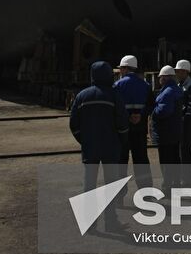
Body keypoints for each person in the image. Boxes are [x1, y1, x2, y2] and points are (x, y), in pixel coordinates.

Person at [69, 61, 129, 232]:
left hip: (90, 148)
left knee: (89, 185)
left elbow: (74, 124)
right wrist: (121, 141)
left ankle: (89, 223)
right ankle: (110, 222)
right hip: (111, 148)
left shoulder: (82, 96)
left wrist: (84, 140)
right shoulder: (114, 95)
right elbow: (122, 123)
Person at [113, 55, 153, 189]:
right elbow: (151, 105)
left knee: (121, 162)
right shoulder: (146, 86)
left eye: (121, 69)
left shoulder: (117, 85)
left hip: (122, 130)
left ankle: (119, 193)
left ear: (125, 68)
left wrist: (128, 117)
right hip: (140, 130)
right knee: (141, 160)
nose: (120, 71)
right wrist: (140, 115)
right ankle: (145, 190)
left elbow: (115, 108)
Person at [150, 65, 183, 197]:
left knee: (166, 161)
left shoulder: (167, 92)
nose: (159, 79)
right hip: (174, 131)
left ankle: (167, 188)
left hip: (165, 132)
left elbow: (163, 111)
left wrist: (153, 111)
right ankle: (176, 184)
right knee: (175, 159)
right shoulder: (176, 89)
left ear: (164, 78)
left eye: (160, 77)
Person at [175, 59, 191, 185]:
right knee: (180, 149)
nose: (177, 74)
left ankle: (187, 179)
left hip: (186, 121)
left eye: (179, 71)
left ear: (185, 71)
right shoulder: (180, 85)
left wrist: (185, 116)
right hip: (180, 121)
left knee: (185, 150)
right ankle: (183, 176)